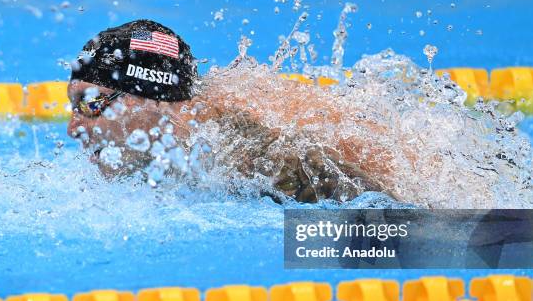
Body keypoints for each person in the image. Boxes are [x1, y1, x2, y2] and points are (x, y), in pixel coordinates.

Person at [68, 19, 400, 203]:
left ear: (152, 99)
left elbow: (398, 230)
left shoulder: (246, 151)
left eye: (91, 103)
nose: (73, 128)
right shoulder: (176, 148)